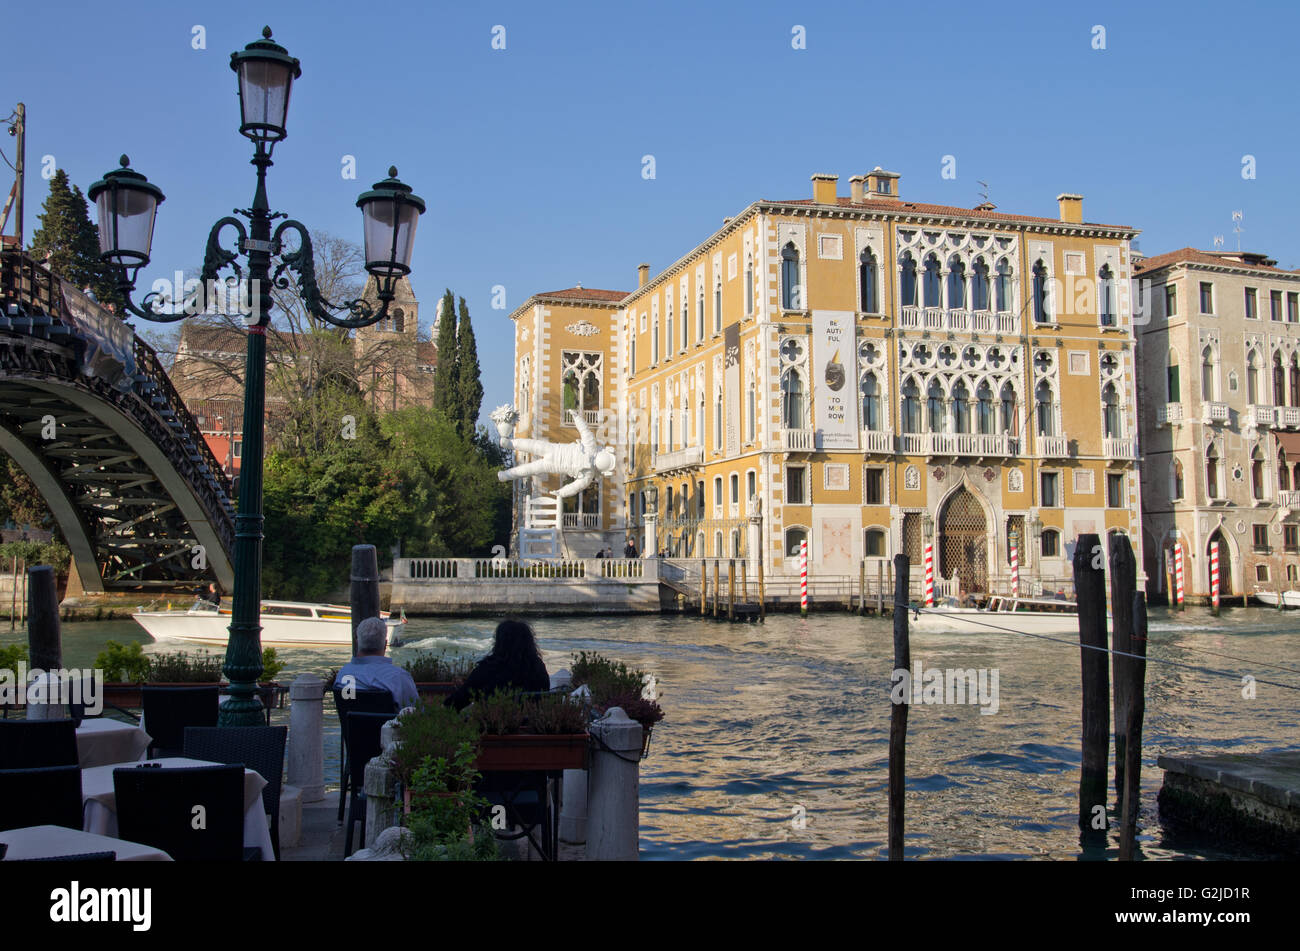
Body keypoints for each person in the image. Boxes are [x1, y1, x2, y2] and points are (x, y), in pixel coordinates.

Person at [447, 618, 550, 711]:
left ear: (499, 642)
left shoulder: (487, 668)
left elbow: (458, 701)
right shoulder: (538, 667)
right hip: (533, 726)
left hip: (492, 726)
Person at [334, 616, 419, 710]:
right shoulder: (399, 678)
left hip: (351, 724)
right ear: (385, 644)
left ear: (357, 643)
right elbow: (414, 715)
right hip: (387, 724)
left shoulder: (343, 674)